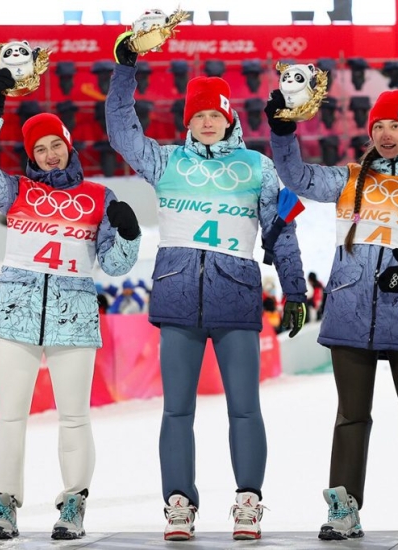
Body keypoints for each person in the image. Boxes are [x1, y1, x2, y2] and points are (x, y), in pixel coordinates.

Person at [106, 33, 308, 542]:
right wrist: (126, 68)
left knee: (244, 407)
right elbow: (121, 132)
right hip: (177, 299)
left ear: (231, 117)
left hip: (235, 297)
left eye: (215, 113)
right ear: (189, 122)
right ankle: (178, 502)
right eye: (198, 115)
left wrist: (295, 290)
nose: (207, 121)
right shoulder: (166, 162)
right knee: (177, 409)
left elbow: (282, 232)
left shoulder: (259, 168)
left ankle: (248, 501)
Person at [266, 87, 398, 540]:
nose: (384, 133)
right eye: (378, 125)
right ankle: (344, 508)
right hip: (350, 314)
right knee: (351, 415)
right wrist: (283, 131)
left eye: (394, 125)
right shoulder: (349, 178)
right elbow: (297, 177)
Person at [0, 68, 141, 541]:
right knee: (10, 416)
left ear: (68, 145)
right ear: (31, 156)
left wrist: (128, 232)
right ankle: (3, 505)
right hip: (16, 317)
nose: (48, 155)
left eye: (54, 145)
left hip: (74, 320)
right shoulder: (16, 191)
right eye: (39, 149)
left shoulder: (97, 198)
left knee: (75, 416)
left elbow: (117, 264)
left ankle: (73, 504)